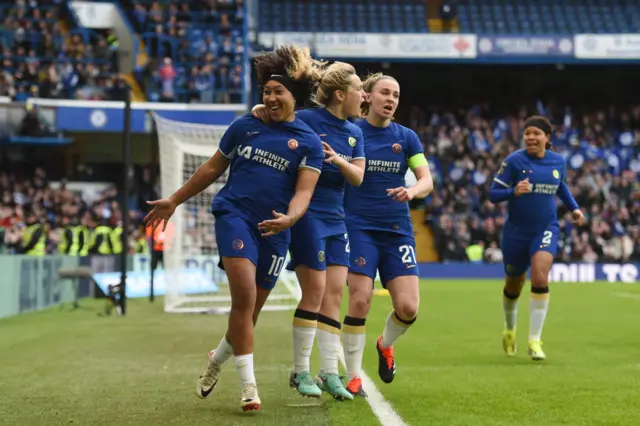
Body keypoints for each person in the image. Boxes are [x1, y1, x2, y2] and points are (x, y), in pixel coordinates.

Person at [144, 45, 325, 412]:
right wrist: (175, 200)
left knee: (249, 315)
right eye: (267, 92)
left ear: (295, 97)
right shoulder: (244, 126)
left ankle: (217, 359)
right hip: (235, 216)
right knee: (242, 298)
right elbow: (211, 170)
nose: (271, 98)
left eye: (279, 92)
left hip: (276, 230)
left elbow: (304, 192)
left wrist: (290, 219)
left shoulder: (308, 142)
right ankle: (249, 388)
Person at [252, 61, 365, 400]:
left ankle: (329, 372)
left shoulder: (355, 132)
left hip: (337, 218)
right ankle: (301, 370)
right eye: (360, 89)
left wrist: (338, 160)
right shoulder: (308, 119)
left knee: (333, 295)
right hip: (307, 214)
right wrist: (261, 108)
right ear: (341, 94)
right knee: (315, 293)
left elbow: (358, 178)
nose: (365, 94)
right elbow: (278, 117)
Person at [341, 73, 434, 397]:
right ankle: (353, 376)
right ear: (367, 96)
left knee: (408, 308)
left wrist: (412, 191)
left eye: (395, 94)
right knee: (360, 299)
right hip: (359, 227)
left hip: (397, 231)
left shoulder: (406, 137)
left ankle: (385, 344)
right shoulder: (352, 133)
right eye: (385, 92)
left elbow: (427, 180)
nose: (391, 99)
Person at [488, 115, 585, 361]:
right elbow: (493, 194)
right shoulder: (513, 161)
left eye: (536, 133)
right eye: (527, 133)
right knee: (513, 284)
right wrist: (513, 191)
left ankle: (534, 340)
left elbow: (560, 185)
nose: (530, 137)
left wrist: (574, 208)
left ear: (547, 137)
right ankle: (510, 329)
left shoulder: (558, 162)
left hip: (545, 228)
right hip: (516, 233)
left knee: (540, 275)